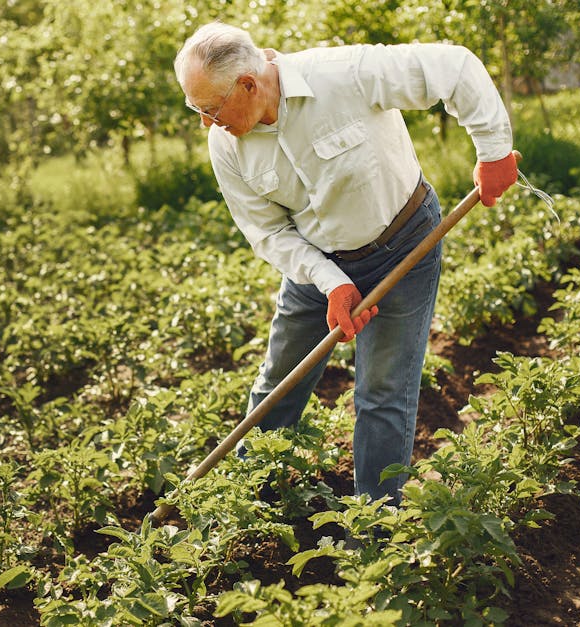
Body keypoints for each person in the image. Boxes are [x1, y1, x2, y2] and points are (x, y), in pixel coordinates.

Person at [173, 22, 518, 506]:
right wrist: (331, 282)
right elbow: (267, 232)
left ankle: (374, 522)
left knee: (381, 393)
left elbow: (454, 67)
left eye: (210, 109)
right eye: (197, 109)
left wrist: (493, 151)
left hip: (403, 245)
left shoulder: (343, 74)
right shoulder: (226, 145)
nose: (207, 123)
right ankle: (250, 504)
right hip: (315, 267)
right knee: (278, 385)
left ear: (249, 84)